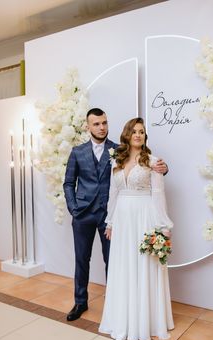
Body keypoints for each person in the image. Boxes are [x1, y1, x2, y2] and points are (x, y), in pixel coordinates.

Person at [63, 109, 168, 322]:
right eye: (96, 124)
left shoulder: (119, 150)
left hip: (111, 216)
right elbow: (68, 183)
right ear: (87, 126)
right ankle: (80, 302)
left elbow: (144, 164)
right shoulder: (77, 151)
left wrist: (164, 168)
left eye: (104, 123)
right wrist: (74, 208)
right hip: (83, 214)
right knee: (81, 259)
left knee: (115, 260)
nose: (102, 127)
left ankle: (117, 305)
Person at [99, 117, 174, 340]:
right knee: (124, 265)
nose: (138, 135)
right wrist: (110, 222)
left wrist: (163, 227)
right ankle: (123, 318)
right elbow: (113, 193)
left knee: (144, 265)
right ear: (127, 135)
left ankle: (145, 320)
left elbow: (159, 195)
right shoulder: (117, 160)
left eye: (142, 132)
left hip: (144, 218)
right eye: (134, 131)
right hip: (122, 219)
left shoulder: (153, 161)